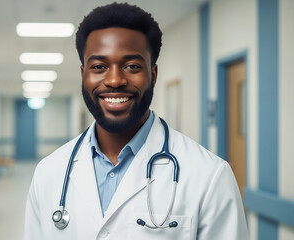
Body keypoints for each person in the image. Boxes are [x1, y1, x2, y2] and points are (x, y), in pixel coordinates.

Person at [23, 2, 249, 240]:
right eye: (99, 66)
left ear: (153, 75)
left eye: (132, 66)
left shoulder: (208, 176)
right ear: (83, 75)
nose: (114, 80)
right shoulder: (49, 173)